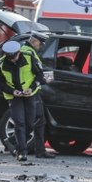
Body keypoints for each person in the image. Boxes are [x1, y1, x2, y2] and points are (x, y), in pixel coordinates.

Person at [0, 41, 45, 162]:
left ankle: (12, 141)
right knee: (19, 123)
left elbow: (40, 75)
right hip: (14, 97)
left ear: (19, 52)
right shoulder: (2, 63)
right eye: (10, 58)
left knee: (30, 123)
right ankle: (21, 152)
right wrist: (12, 91)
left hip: (30, 95)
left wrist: (31, 88)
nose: (12, 60)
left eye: (14, 57)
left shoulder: (29, 57)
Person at [20, 31, 55, 159]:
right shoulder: (28, 53)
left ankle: (38, 150)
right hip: (29, 93)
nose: (40, 47)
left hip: (28, 92)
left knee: (36, 121)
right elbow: (36, 74)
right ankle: (24, 150)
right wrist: (43, 79)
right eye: (40, 44)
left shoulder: (25, 51)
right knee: (32, 122)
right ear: (34, 42)